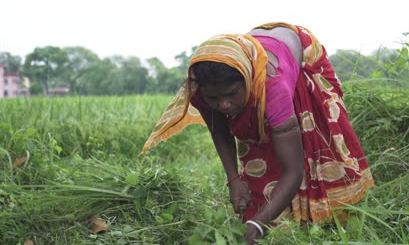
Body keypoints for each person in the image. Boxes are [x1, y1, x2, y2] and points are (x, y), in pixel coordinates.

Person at [139, 22, 374, 244]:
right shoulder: (200, 90)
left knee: (313, 140)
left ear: (248, 81)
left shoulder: (273, 85)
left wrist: (259, 223)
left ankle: (317, 213)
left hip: (301, 54)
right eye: (214, 98)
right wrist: (233, 180)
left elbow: (294, 170)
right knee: (263, 158)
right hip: (259, 49)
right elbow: (219, 128)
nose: (224, 105)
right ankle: (279, 208)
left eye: (231, 94)